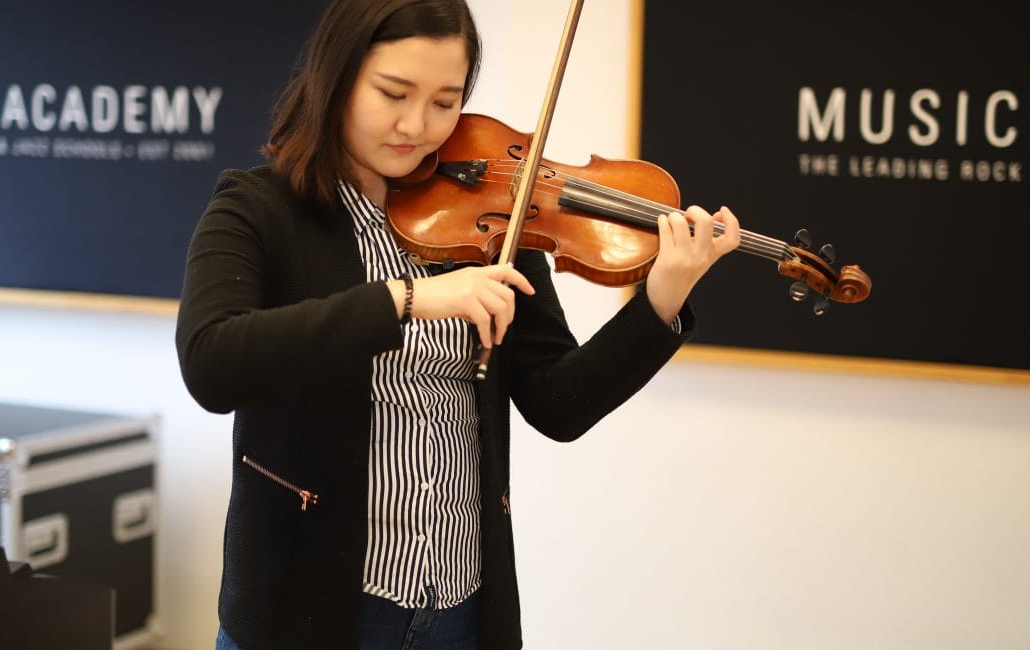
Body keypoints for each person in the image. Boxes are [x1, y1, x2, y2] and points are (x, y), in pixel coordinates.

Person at [175, 1, 740, 648]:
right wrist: (408, 299)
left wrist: (661, 299)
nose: (416, 125)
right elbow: (212, 362)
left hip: (459, 610)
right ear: (337, 77)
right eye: (393, 93)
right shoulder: (259, 209)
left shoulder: (495, 218)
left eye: (446, 102)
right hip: (309, 607)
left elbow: (558, 402)